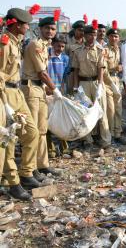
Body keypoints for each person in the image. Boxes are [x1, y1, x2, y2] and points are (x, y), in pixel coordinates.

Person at [0, 8, 40, 199]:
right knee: (8, 140)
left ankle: (26, 172)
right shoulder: (5, 43)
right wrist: (5, 104)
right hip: (4, 93)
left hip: (17, 92)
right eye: (25, 24)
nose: (28, 27)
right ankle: (13, 182)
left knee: (31, 132)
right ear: (16, 25)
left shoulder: (16, 42)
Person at [22, 16, 65, 181]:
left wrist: (47, 88)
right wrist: (55, 89)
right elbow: (42, 72)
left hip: (39, 88)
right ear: (40, 29)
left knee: (41, 130)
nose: (50, 31)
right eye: (47, 28)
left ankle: (42, 165)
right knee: (32, 132)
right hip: (31, 89)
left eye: (53, 29)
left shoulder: (45, 46)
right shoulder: (35, 45)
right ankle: (30, 169)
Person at [72, 24, 112, 148]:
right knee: (84, 112)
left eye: (94, 34)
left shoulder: (100, 50)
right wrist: (75, 87)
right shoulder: (77, 51)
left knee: (102, 111)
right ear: (84, 35)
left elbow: (101, 68)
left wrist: (100, 85)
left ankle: (105, 141)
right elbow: (75, 71)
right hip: (83, 84)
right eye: (90, 34)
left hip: (96, 83)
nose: (93, 37)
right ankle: (87, 140)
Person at [46, 36, 71, 157]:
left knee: (61, 120)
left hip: (59, 92)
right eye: (58, 46)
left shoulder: (65, 58)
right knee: (47, 120)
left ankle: (64, 147)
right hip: (46, 92)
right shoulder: (46, 56)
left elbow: (64, 77)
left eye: (62, 46)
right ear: (52, 45)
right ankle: (50, 148)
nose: (60, 49)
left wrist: (60, 90)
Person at [103, 23, 123, 144]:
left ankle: (118, 133)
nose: (114, 38)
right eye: (111, 36)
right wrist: (115, 68)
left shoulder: (119, 49)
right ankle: (109, 134)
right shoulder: (104, 50)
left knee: (118, 108)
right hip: (108, 82)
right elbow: (103, 69)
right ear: (108, 37)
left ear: (118, 38)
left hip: (117, 80)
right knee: (110, 110)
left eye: (116, 37)